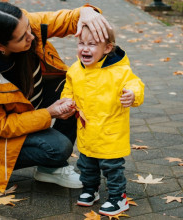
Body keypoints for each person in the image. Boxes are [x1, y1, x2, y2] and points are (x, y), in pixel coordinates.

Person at [0, 2, 111, 194]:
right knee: (58, 148)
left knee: (75, 93)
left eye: (28, 27)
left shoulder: (24, 26)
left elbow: (66, 20)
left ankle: (50, 170)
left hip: (25, 109)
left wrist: (87, 12)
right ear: (0, 46)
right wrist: (49, 113)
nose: (31, 36)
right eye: (22, 38)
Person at [60, 25, 145, 216]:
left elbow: (135, 84)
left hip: (110, 132)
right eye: (81, 43)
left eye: (92, 44)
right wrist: (67, 100)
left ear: (107, 48)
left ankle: (118, 198)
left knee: (112, 168)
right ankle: (91, 190)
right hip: (87, 130)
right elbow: (69, 89)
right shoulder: (75, 69)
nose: (85, 48)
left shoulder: (120, 70)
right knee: (86, 164)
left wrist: (132, 94)